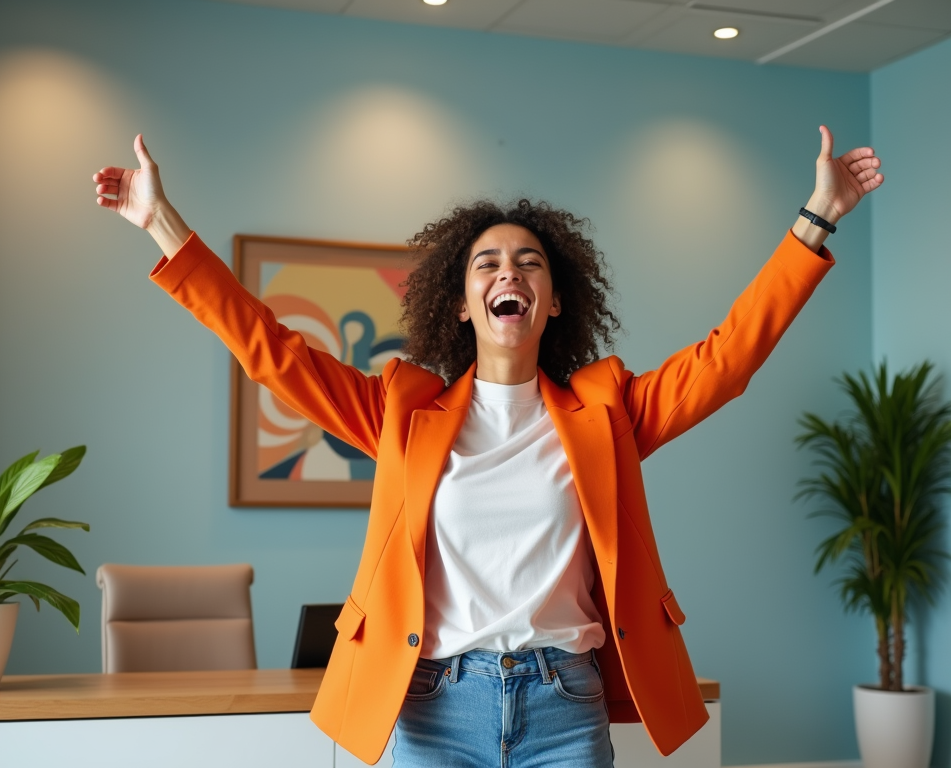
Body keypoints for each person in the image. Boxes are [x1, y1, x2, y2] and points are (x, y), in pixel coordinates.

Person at [94, 127, 882, 767]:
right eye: (489, 263)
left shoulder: (607, 414)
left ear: (555, 298)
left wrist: (817, 216)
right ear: (465, 303)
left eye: (529, 261)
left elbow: (729, 357)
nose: (510, 271)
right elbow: (270, 349)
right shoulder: (402, 410)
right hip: (436, 708)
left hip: (563, 707)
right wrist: (164, 224)